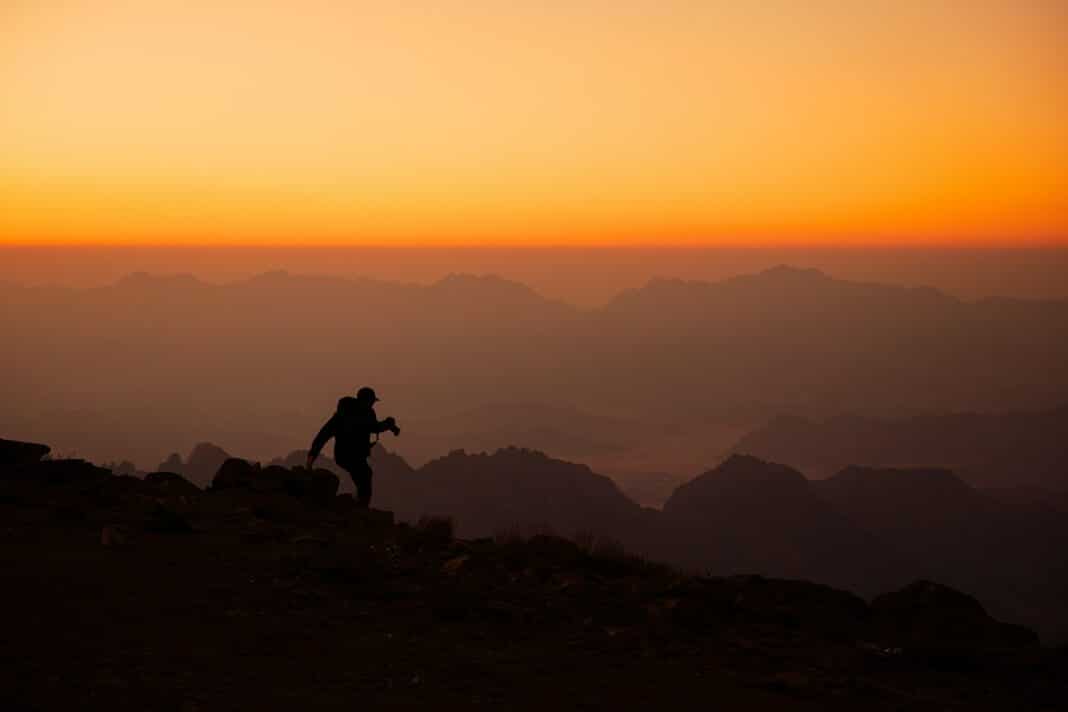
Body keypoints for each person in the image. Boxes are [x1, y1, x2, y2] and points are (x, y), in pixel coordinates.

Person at [306, 386, 400, 507]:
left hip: (354, 456)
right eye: (371, 402)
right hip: (345, 455)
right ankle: (361, 506)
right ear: (364, 401)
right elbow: (323, 435)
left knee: (365, 475)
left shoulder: (366, 414)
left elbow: (374, 427)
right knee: (364, 475)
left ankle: (360, 504)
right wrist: (311, 458)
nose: (372, 404)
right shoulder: (343, 416)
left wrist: (389, 425)